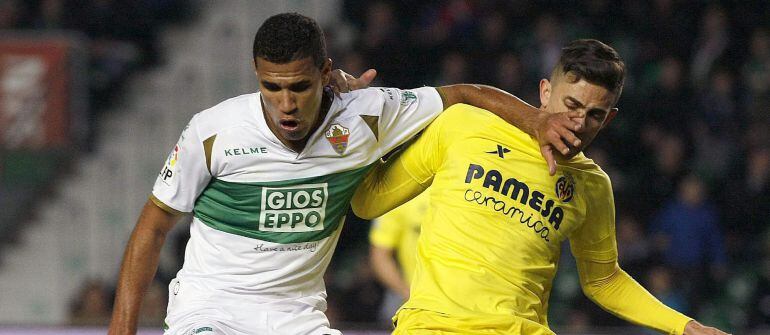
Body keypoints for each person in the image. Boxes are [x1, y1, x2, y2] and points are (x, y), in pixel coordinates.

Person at [107, 12, 581, 335]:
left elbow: (462, 93)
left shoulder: (365, 115)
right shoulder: (213, 132)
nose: (286, 104)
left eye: (299, 86)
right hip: (211, 308)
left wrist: (536, 120)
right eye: (271, 87)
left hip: (296, 317)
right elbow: (152, 227)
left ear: (325, 72)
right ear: (255, 74)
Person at [352, 39, 729, 335]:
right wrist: (351, 123)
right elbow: (369, 201)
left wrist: (684, 326)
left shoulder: (592, 185)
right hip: (434, 328)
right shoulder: (463, 126)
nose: (580, 123)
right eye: (571, 104)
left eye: (595, 115)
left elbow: (604, 280)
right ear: (545, 91)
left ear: (609, 119)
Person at [369, 190, 428, 322]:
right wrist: (407, 294)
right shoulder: (401, 193)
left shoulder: (468, 189)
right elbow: (380, 255)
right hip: (418, 306)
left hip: (470, 301)